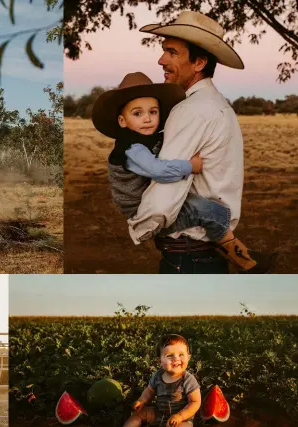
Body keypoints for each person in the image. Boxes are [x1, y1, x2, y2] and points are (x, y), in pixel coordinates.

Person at [124, 11, 277, 274]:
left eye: (172, 52)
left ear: (199, 62)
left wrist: (144, 228)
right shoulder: (217, 105)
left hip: (188, 256)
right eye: (163, 52)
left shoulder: (192, 110)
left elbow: (164, 195)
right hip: (204, 253)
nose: (161, 60)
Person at [92, 71, 271, 273]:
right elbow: (157, 170)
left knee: (214, 210)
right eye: (137, 113)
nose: (147, 119)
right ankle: (242, 258)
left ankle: (234, 252)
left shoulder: (148, 138)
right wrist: (190, 166)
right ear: (122, 121)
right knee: (209, 211)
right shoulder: (131, 148)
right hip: (141, 210)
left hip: (148, 201)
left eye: (153, 112)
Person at [107, 334, 200, 427]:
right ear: (159, 361)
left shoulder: (188, 380)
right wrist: (142, 401)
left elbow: (195, 401)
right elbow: (149, 391)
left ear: (188, 357)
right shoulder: (158, 376)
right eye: (170, 356)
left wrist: (180, 416)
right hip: (159, 413)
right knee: (138, 414)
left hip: (182, 420)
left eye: (181, 354)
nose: (176, 359)